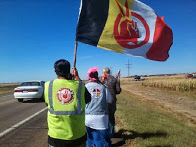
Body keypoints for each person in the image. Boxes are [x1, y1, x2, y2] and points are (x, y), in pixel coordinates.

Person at [44, 59, 91, 147]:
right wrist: (76, 77)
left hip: (56, 135)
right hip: (77, 134)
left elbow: (48, 103)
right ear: (69, 70)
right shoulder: (80, 85)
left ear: (55, 71)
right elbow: (88, 99)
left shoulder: (47, 85)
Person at [85, 67, 113, 147]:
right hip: (102, 118)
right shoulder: (103, 87)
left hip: (88, 117)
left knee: (90, 139)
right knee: (102, 140)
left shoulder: (85, 87)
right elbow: (109, 100)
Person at [102, 67, 122, 137]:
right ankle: (111, 134)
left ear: (103, 72)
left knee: (103, 118)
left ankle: (104, 133)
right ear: (109, 72)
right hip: (112, 101)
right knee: (111, 118)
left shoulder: (101, 80)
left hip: (102, 102)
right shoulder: (114, 79)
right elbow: (118, 91)